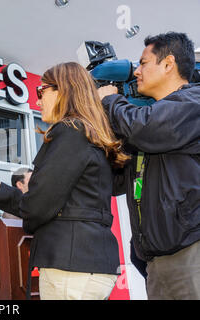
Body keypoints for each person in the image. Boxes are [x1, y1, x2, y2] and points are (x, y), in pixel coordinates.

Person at [0, 62, 129, 300]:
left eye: (41, 91)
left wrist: (3, 195)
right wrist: (0, 191)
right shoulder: (89, 133)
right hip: (88, 264)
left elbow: (38, 206)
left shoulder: (70, 130)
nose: (38, 100)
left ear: (63, 90)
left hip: (71, 266)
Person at [98, 32, 200, 300]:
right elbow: (116, 181)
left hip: (190, 255)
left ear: (168, 64)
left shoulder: (193, 102)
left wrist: (110, 100)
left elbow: (146, 129)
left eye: (143, 63)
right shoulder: (148, 119)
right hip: (156, 263)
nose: (137, 71)